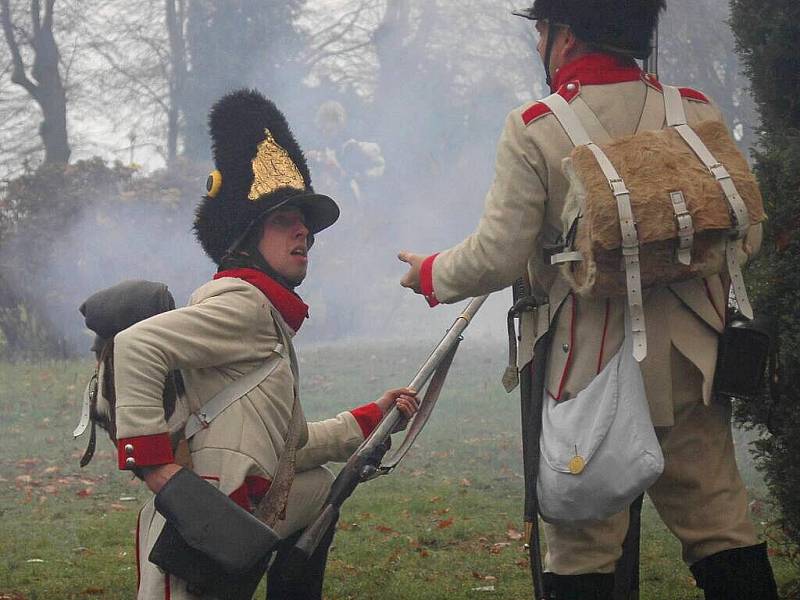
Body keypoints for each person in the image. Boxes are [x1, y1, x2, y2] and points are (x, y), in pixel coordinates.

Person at [397, 2, 778, 599]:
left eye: (543, 30)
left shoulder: (535, 126)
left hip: (591, 371)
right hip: (696, 364)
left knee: (582, 546)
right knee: (721, 526)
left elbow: (496, 255)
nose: (541, 42)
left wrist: (430, 274)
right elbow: (744, 233)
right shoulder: (695, 110)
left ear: (565, 37)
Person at [111, 89, 417, 599]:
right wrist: (155, 466)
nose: (303, 233)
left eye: (304, 223)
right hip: (200, 528)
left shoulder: (267, 320)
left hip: (236, 520)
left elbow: (290, 449)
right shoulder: (246, 305)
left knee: (318, 487)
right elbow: (134, 346)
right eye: (283, 220)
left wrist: (371, 420)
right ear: (248, 238)